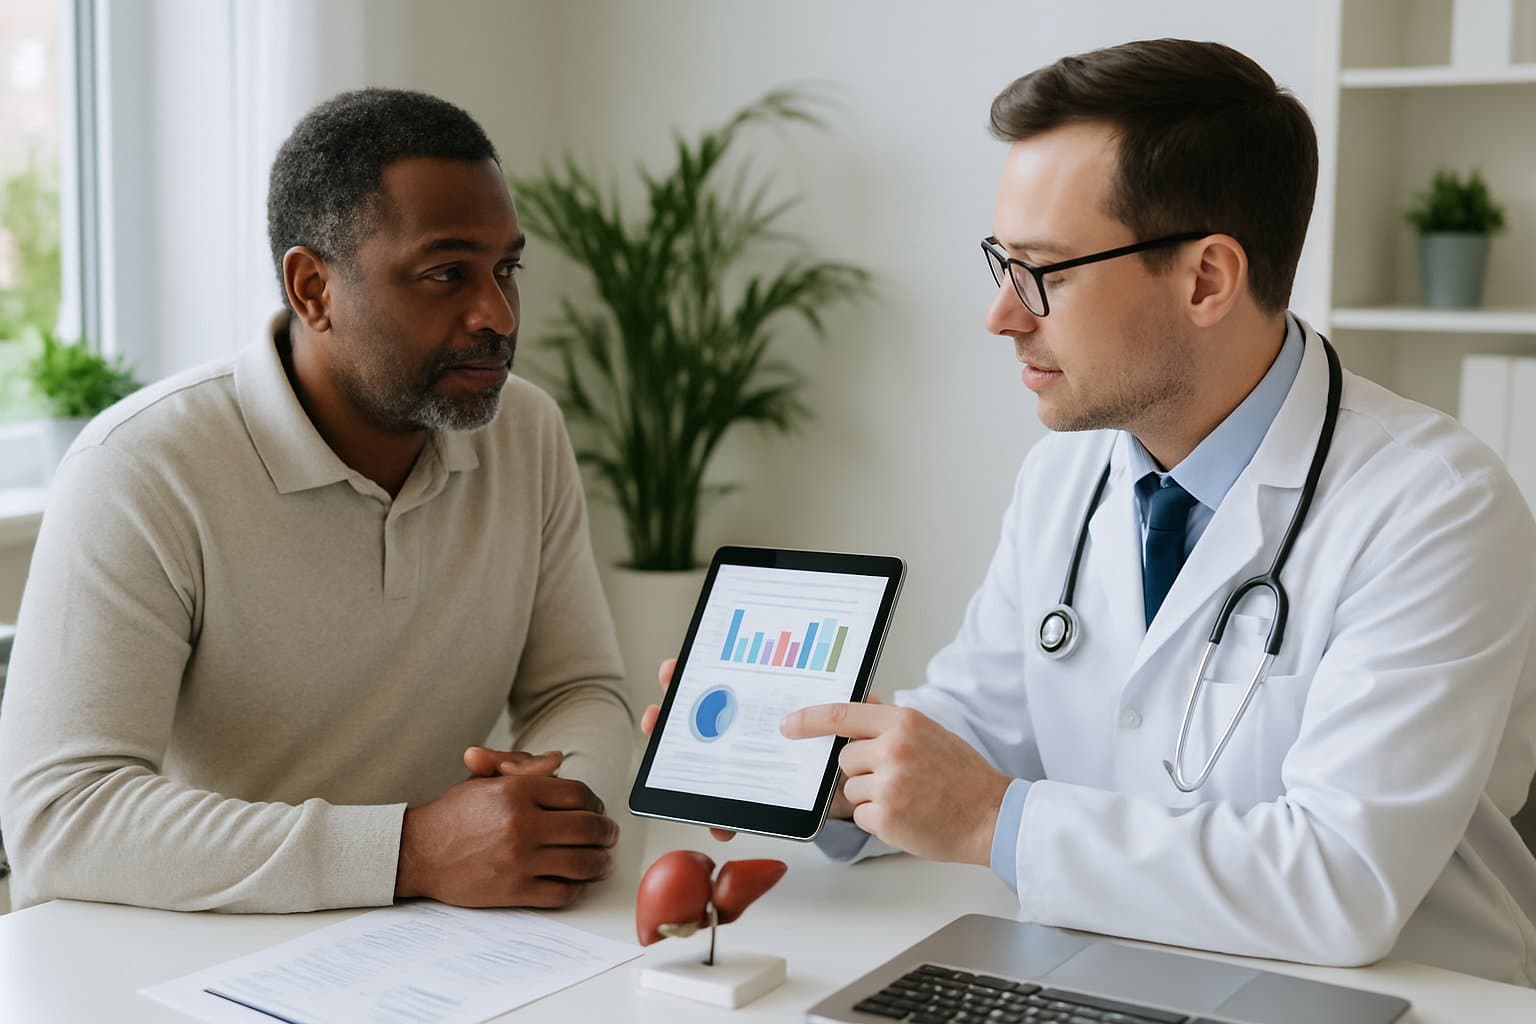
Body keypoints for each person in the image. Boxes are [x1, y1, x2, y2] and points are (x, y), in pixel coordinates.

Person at [644, 39, 1536, 985]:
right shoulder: (1064, 478)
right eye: (1001, 262)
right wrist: (825, 771)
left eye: (1046, 272)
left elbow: (1339, 882)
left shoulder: (1434, 508)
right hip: (1113, 972)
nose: (1001, 314)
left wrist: (995, 820)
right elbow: (981, 731)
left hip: (1400, 996)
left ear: (1206, 279)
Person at [0, 88, 631, 914]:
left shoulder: (527, 431)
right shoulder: (142, 467)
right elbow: (61, 818)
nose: (498, 314)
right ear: (312, 289)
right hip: (184, 960)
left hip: (436, 943)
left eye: (506, 269)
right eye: (446, 274)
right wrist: (411, 849)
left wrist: (554, 817)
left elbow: (576, 690)